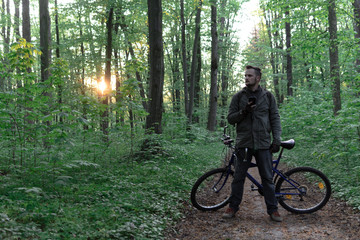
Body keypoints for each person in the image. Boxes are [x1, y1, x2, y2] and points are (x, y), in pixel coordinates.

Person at [222, 65, 283, 222]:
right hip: (244, 144)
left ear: (258, 78)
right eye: (245, 75)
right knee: (238, 178)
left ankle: (273, 209)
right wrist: (244, 111)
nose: (246, 78)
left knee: (267, 178)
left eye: (250, 75)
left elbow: (275, 118)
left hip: (263, 143)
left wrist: (276, 140)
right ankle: (232, 207)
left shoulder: (268, 97)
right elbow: (230, 118)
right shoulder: (238, 97)